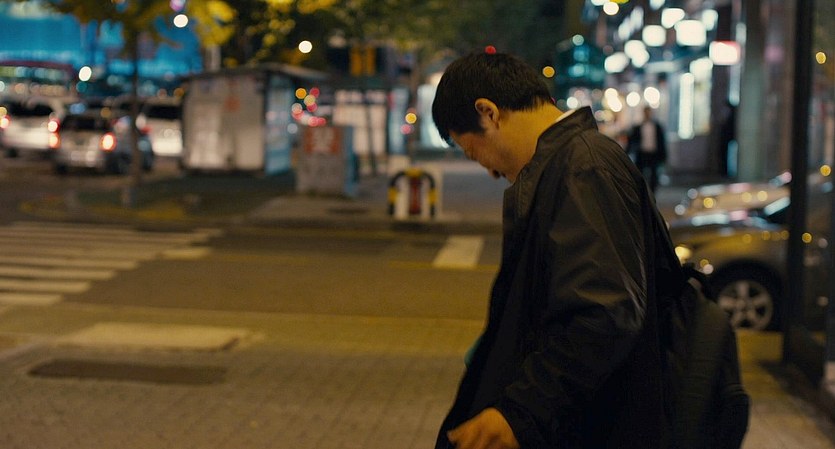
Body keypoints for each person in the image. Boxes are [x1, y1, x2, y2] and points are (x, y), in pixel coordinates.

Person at [431, 52, 683, 449]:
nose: (488, 170)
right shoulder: (568, 165)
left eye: (471, 150)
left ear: (488, 113)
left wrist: (521, 412)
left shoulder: (584, 168)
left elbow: (603, 314)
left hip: (592, 429)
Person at [628, 106, 667, 193]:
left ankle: (652, 193)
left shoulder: (657, 126)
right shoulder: (638, 127)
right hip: (642, 154)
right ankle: (642, 192)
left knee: (654, 175)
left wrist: (663, 156)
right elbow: (632, 141)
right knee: (640, 175)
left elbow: (661, 142)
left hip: (653, 154)